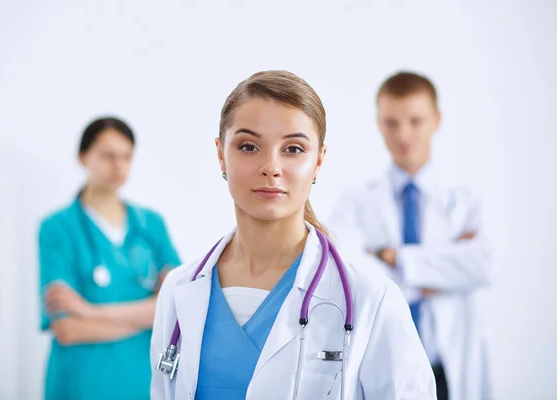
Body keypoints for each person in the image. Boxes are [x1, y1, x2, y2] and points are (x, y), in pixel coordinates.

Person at [149, 70, 435, 400]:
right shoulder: (180, 289)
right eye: (248, 146)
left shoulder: (370, 297)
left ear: (319, 161)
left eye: (294, 149)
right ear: (220, 154)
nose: (271, 166)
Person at [328, 71, 496, 400]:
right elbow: (346, 272)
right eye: (391, 122)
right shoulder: (356, 201)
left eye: (415, 121)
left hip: (447, 367)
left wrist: (392, 257)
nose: (403, 134)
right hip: (385, 366)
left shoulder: (468, 199)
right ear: (378, 123)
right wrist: (443, 270)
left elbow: (485, 264)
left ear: (437, 120)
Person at [38, 117, 182, 400]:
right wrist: (149, 314)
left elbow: (177, 307)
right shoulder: (57, 229)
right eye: (108, 156)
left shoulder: (151, 225)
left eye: (127, 156)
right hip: (81, 384)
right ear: (83, 158)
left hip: (142, 382)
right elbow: (68, 329)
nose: (119, 166)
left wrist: (90, 312)